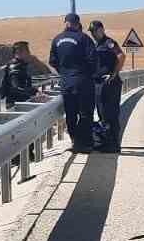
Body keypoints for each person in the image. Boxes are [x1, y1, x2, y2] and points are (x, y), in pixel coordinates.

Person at [49, 13, 96, 152]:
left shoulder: (57, 39)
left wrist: (64, 73)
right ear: (78, 23)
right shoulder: (84, 38)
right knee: (85, 113)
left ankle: (75, 141)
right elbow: (93, 60)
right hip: (83, 82)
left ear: (66, 23)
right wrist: (88, 74)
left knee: (71, 113)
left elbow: (52, 61)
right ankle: (85, 144)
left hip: (66, 83)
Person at [89, 20, 124, 152]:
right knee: (103, 113)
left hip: (109, 84)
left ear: (102, 30)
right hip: (99, 83)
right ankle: (107, 142)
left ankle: (113, 144)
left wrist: (114, 74)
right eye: (92, 31)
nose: (93, 34)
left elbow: (121, 56)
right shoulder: (97, 44)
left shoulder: (109, 43)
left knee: (110, 114)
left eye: (95, 31)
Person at [0, 41, 37, 109]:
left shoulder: (21, 66)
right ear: (19, 53)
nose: (29, 54)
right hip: (15, 104)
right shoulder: (15, 67)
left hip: (20, 102)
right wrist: (34, 92)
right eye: (27, 51)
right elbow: (16, 88)